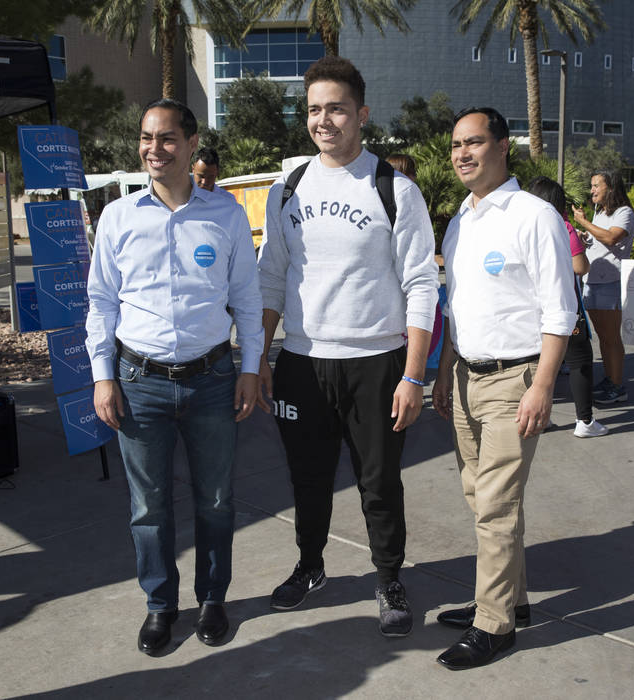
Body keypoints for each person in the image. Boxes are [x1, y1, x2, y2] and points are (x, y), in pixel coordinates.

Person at [257, 56, 439, 638]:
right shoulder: (287, 189)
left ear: (361, 113)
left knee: (379, 484)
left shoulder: (394, 188)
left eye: (336, 108)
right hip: (303, 364)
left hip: (376, 365)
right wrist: (257, 358)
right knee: (308, 480)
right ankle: (310, 567)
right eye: (314, 109)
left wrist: (413, 376)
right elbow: (271, 281)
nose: (324, 120)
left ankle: (388, 577)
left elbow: (420, 286)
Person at [85, 98, 265, 655]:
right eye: (146, 138)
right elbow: (101, 303)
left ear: (190, 145)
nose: (153, 149)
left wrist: (251, 368)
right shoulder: (118, 216)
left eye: (165, 139)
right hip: (139, 382)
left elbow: (248, 301)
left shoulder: (227, 215)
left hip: (212, 379)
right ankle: (161, 606)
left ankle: (213, 600)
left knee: (215, 500)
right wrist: (102, 375)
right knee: (149, 507)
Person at [431, 108, 576, 670]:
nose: (463, 154)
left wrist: (542, 386)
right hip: (466, 376)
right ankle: (510, 599)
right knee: (481, 496)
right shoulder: (459, 222)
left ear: (503, 147)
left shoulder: (534, 215)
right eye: (456, 145)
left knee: (494, 503)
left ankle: (494, 626)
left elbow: (560, 311)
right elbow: (455, 306)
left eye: (474, 143)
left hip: (516, 379)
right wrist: (443, 373)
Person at [527, 176, 607, 438]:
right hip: (562, 307)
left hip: (530, 307)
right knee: (580, 361)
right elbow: (580, 267)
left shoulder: (522, 223)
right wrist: (579, 249)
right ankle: (585, 421)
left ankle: (542, 417)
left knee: (540, 362)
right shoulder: (562, 225)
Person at [571, 169, 634, 405]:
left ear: (611, 187)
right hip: (592, 281)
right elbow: (598, 239)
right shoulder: (600, 212)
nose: (592, 190)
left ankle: (617, 386)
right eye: (592, 186)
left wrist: (584, 222)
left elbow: (611, 238)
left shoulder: (624, 212)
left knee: (611, 337)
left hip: (610, 282)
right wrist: (585, 234)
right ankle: (610, 380)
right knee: (602, 337)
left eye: (597, 185)